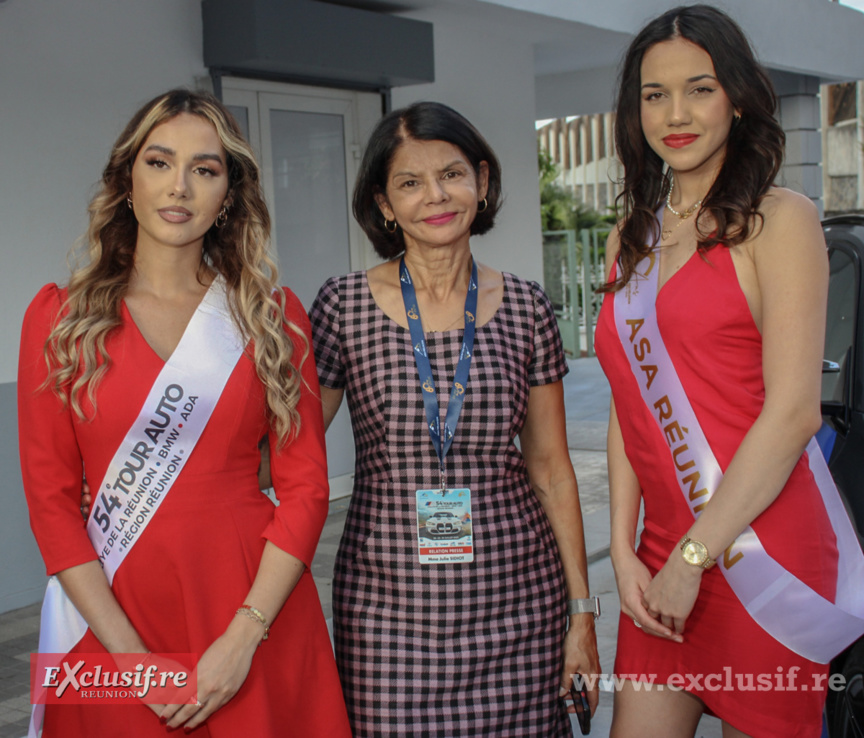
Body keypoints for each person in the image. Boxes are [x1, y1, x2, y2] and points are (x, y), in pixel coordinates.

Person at [18, 88, 351, 737]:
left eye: (205, 169)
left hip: (253, 611)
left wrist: (242, 636)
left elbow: (307, 488)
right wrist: (134, 660)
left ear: (228, 195)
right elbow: (51, 506)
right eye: (159, 162)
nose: (180, 187)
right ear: (125, 180)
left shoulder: (272, 317)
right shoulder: (59, 320)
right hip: (111, 621)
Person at [594, 5, 864, 738]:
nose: (675, 114)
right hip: (661, 553)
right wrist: (623, 550)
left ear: (737, 97)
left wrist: (694, 557)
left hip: (759, 548)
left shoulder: (782, 220)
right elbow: (629, 403)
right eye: (655, 94)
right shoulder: (631, 237)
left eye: (699, 88)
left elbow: (794, 413)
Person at [307, 101, 600, 736]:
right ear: (384, 204)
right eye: (409, 183)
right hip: (386, 610)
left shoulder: (525, 307)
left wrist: (582, 615)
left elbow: (551, 469)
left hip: (519, 605)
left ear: (483, 182)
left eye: (452, 174)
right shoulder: (343, 306)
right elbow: (292, 447)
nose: (435, 196)